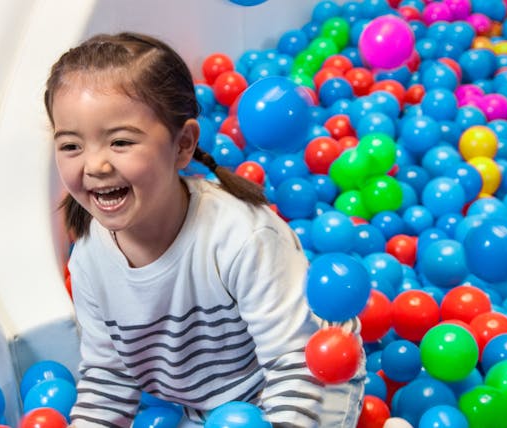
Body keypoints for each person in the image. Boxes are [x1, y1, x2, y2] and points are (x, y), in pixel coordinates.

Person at [44, 32, 364, 427]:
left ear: (183, 145)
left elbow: (297, 360)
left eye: (121, 142)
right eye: (72, 146)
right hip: (216, 408)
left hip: (312, 379)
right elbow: (109, 378)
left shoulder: (240, 235)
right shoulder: (91, 257)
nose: (94, 165)